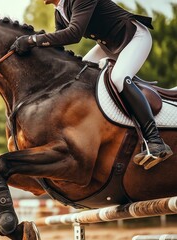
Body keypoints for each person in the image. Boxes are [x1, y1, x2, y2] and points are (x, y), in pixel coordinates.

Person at [10, 0, 173, 169]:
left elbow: (73, 34)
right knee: (78, 77)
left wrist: (32, 40)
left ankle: (155, 140)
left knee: (119, 78)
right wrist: (33, 53)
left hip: (133, 37)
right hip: (108, 44)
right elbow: (60, 43)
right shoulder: (59, 11)